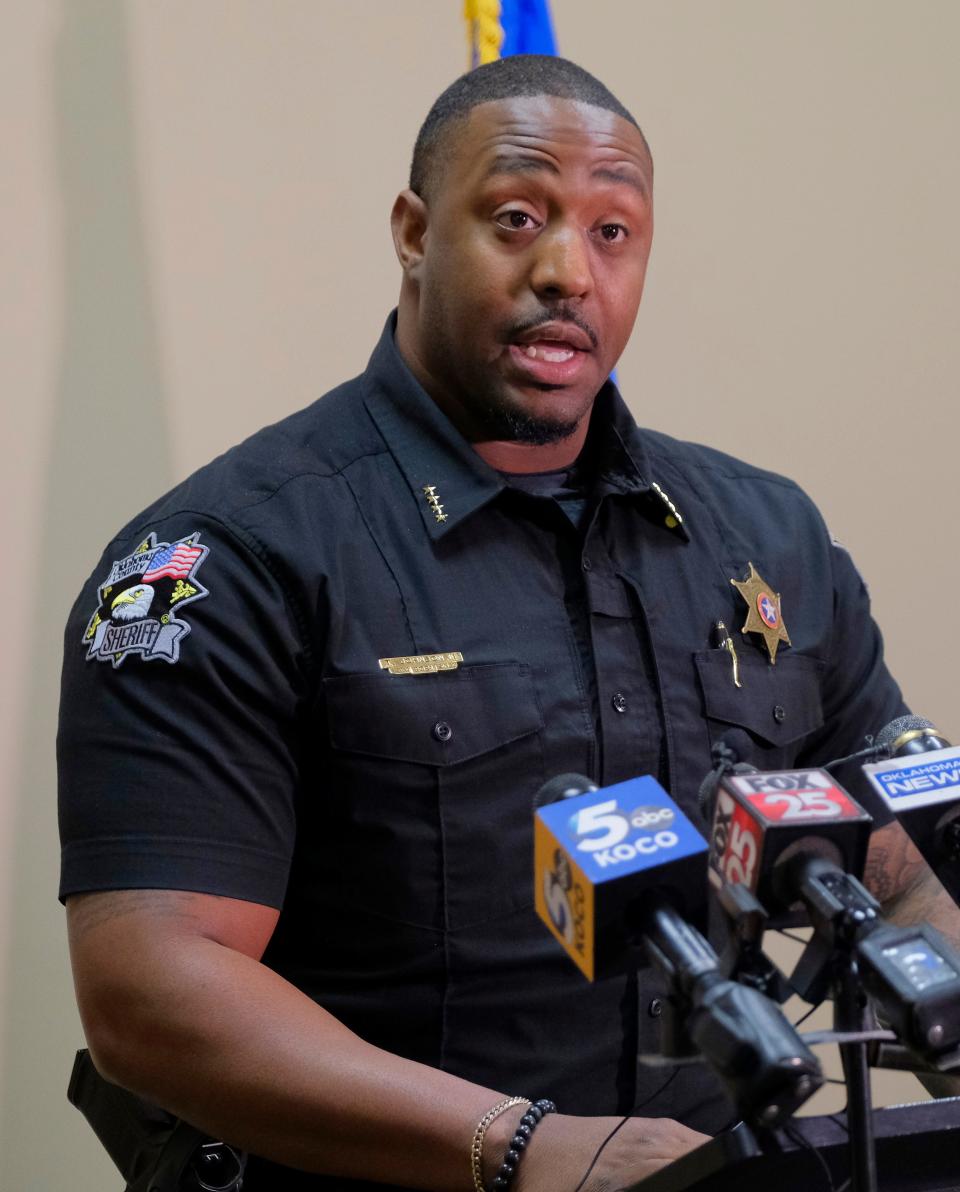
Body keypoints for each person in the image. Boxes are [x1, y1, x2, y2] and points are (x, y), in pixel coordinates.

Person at [58, 55, 958, 1192]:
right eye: (518, 217)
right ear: (414, 231)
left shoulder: (764, 535)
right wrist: (527, 1146)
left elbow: (903, 853)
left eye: (614, 231)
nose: (567, 270)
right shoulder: (232, 558)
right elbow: (151, 983)